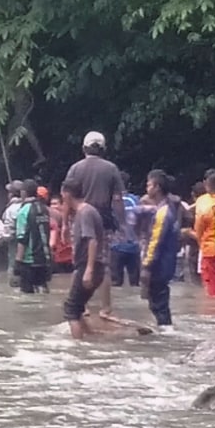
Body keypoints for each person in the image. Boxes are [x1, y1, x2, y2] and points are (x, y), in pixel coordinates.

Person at [63, 131, 127, 314]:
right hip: (104, 223)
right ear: (103, 149)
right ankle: (106, 307)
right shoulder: (111, 169)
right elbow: (117, 200)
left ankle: (82, 306)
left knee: (80, 264)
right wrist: (122, 226)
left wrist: (65, 224)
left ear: (84, 148)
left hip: (81, 222)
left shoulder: (75, 168)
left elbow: (67, 197)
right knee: (103, 264)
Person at [61, 180, 106, 340]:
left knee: (70, 309)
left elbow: (91, 240)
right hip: (92, 265)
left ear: (67, 194)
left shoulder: (85, 212)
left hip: (90, 265)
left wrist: (89, 269)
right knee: (77, 307)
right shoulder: (87, 211)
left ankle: (78, 346)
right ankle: (90, 339)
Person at [139, 171, 182, 327]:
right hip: (165, 263)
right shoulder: (167, 209)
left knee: (158, 305)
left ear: (156, 187)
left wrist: (146, 266)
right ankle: (165, 329)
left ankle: (165, 333)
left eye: (149, 184)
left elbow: (155, 242)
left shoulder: (162, 213)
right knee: (159, 304)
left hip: (159, 265)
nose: (146, 187)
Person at [14, 179, 52, 294]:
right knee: (42, 292)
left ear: (23, 193)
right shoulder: (45, 209)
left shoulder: (23, 211)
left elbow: (22, 238)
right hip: (44, 259)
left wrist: (18, 263)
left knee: (27, 297)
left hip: (29, 261)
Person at [193, 170, 215, 297]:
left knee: (213, 288)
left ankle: (214, 313)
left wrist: (201, 243)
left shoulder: (203, 201)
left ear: (206, 184)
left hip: (210, 249)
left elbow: (199, 226)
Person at [0, 182, 28, 288]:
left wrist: (2, 240)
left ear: (11, 194)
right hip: (30, 251)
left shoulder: (11, 209)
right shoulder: (29, 206)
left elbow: (8, 233)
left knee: (14, 272)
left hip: (15, 247)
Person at [49, 194, 74, 274]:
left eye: (55, 204)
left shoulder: (69, 218)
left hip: (69, 255)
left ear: (62, 205)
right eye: (51, 204)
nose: (53, 206)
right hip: (58, 255)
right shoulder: (51, 219)